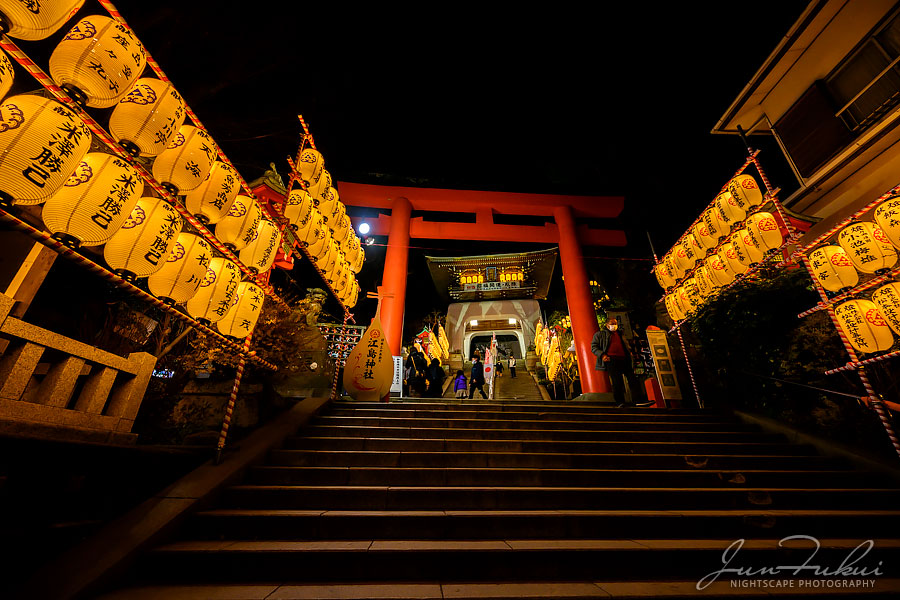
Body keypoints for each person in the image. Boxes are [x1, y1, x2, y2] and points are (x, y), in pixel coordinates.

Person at [591, 316, 641, 408]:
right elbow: (594, 347)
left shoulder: (620, 334)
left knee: (633, 379)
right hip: (611, 359)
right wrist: (602, 355)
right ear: (607, 325)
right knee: (617, 381)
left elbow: (626, 346)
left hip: (624, 358)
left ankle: (638, 400)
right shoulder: (600, 334)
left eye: (615, 324)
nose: (614, 325)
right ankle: (620, 402)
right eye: (612, 324)